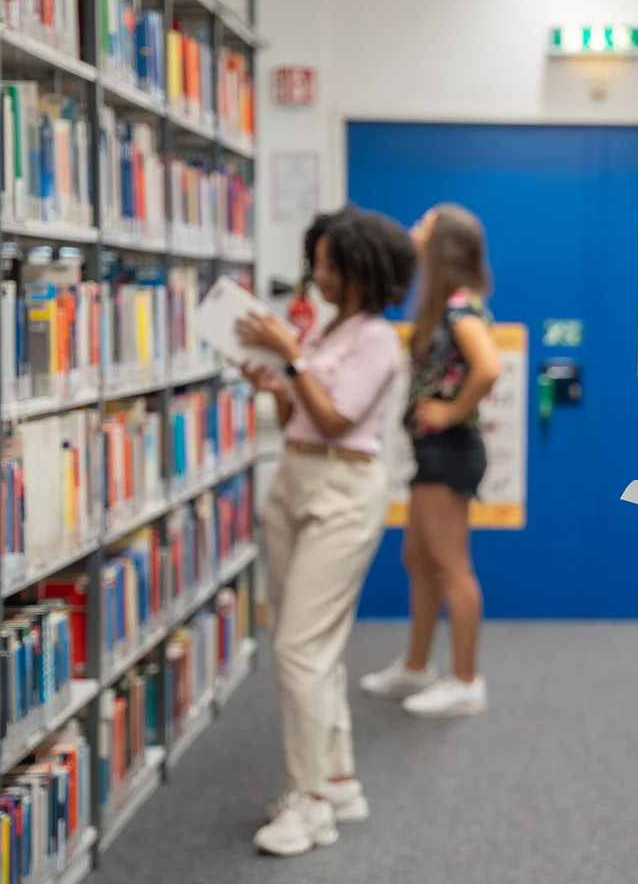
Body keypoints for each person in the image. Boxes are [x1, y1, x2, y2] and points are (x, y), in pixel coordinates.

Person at [236, 205, 417, 857]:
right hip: (297, 477)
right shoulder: (330, 329)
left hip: (342, 487)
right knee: (312, 644)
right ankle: (337, 778)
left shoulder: (375, 337)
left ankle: (308, 803)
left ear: (359, 269)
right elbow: (299, 416)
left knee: (297, 647)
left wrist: (292, 358)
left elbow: (338, 420)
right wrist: (274, 375)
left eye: (326, 263)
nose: (316, 274)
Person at [359, 204, 501, 718]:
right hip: (433, 453)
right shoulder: (445, 304)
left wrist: (449, 411)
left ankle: (466, 679)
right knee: (417, 558)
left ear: (443, 244)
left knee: (450, 566)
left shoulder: (460, 308)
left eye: (425, 223)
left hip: (449, 451)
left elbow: (487, 368)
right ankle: (418, 665)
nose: (414, 228)